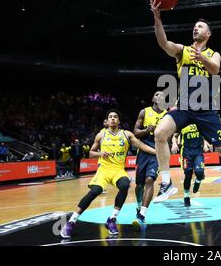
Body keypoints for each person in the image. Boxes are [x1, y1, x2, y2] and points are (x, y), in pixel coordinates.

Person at [149, 0, 221, 221]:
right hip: (185, 107)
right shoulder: (183, 51)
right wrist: (157, 19)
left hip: (206, 109)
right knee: (160, 133)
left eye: (200, 27)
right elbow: (163, 44)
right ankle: (167, 182)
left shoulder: (212, 53)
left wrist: (202, 58)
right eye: (194, 27)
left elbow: (216, 69)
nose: (195, 29)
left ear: (208, 34)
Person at [60, 109, 156, 238]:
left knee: (125, 184)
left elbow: (141, 145)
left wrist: (157, 152)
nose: (112, 119)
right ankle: (71, 222)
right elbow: (91, 153)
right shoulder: (101, 135)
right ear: (107, 120)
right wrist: (101, 154)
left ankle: (111, 219)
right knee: (95, 192)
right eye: (110, 117)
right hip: (104, 170)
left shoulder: (126, 134)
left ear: (119, 121)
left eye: (115, 117)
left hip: (118, 170)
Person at [132, 91, 167, 230]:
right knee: (139, 185)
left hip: (158, 150)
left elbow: (170, 135)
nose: (160, 96)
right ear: (153, 98)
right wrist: (146, 130)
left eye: (163, 95)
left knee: (149, 180)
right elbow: (135, 132)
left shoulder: (167, 115)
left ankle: (142, 214)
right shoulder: (144, 112)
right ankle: (139, 205)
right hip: (143, 151)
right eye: (157, 94)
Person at [172, 124, 209, 207]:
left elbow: (204, 135)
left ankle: (198, 181)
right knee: (188, 175)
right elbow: (174, 136)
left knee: (199, 173)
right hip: (186, 152)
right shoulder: (183, 123)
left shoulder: (198, 121)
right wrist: (174, 143)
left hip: (198, 151)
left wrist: (206, 144)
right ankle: (186, 196)